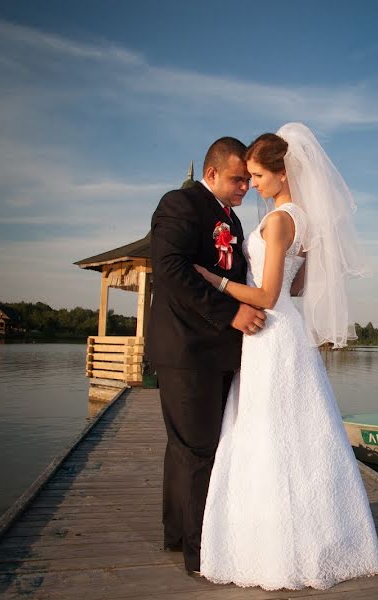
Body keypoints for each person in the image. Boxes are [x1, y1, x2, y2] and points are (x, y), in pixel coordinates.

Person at [196, 123, 378, 589]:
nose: (253, 184)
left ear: (282, 173)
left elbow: (266, 294)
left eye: (258, 176)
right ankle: (312, 539)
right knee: (296, 433)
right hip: (286, 334)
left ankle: (271, 549)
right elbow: (300, 285)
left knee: (268, 433)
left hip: (272, 335)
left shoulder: (280, 220)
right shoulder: (302, 220)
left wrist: (213, 280)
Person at [146, 137, 266, 575]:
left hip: (215, 352)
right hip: (186, 349)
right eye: (237, 179)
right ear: (211, 174)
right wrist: (230, 312)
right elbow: (171, 269)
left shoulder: (229, 220)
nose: (245, 187)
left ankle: (178, 536)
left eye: (247, 180)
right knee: (198, 451)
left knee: (188, 449)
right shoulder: (179, 205)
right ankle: (201, 556)